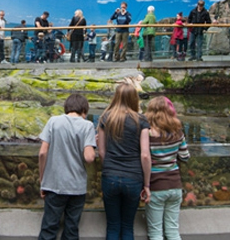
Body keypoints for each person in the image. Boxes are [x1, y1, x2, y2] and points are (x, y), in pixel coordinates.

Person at [37, 94, 96, 240]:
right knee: (71, 229)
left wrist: (42, 180)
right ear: (84, 109)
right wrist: (92, 143)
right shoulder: (87, 125)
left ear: (67, 107)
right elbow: (89, 158)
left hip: (54, 184)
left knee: (49, 227)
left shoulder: (53, 121)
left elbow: (42, 153)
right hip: (76, 187)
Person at [97, 83, 151, 240]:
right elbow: (145, 155)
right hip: (133, 178)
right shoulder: (141, 121)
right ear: (134, 98)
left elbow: (101, 151)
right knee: (128, 226)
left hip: (110, 176)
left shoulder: (105, 118)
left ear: (116, 97)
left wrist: (108, 169)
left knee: (113, 226)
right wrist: (146, 185)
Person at [144, 96, 189, 240]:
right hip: (175, 186)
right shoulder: (177, 132)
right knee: (173, 230)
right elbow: (185, 156)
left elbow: (144, 157)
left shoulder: (148, 134)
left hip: (156, 187)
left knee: (156, 232)